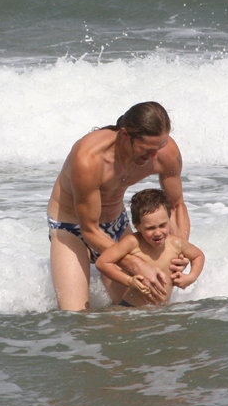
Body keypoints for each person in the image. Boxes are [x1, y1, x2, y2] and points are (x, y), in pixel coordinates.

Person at [47, 101, 190, 311]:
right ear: (124, 135)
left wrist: (179, 252)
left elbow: (177, 206)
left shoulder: (166, 153)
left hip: (116, 225)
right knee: (76, 316)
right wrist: (137, 264)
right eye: (147, 149)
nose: (154, 156)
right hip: (72, 228)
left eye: (159, 147)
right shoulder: (89, 158)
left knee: (144, 310)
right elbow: (90, 230)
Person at [95, 188, 205, 308]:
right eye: (150, 228)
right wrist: (129, 281)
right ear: (137, 226)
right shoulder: (133, 242)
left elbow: (198, 256)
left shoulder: (175, 243)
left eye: (162, 225)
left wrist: (190, 277)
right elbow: (102, 262)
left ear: (169, 220)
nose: (157, 233)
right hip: (130, 308)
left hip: (163, 309)